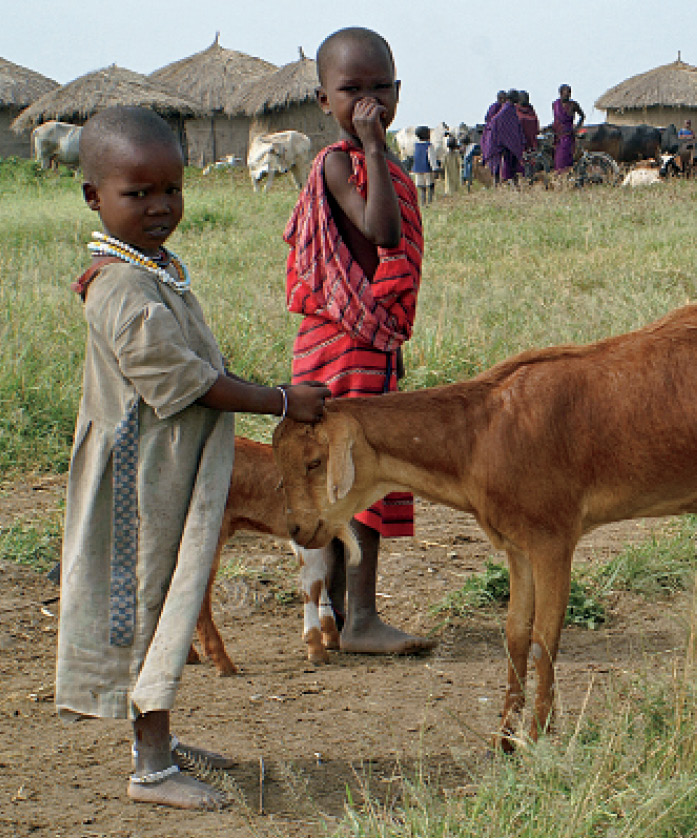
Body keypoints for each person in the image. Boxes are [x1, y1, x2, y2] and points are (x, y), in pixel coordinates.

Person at [57, 105, 330, 810]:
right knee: (150, 609)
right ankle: (150, 769)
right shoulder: (121, 289)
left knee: (171, 601)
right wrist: (279, 400)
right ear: (94, 197)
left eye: (170, 190)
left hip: (166, 471)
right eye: (137, 193)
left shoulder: (152, 268)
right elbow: (188, 382)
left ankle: (161, 743)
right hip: (138, 483)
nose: (160, 207)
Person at [285, 27, 435, 656]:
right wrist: (374, 148)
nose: (368, 102)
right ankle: (362, 618)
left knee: (347, 477)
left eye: (381, 88)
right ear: (324, 100)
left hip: (361, 340)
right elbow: (381, 230)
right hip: (347, 342)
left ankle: (342, 615)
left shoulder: (378, 161)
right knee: (358, 477)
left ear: (399, 91)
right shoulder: (343, 162)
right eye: (352, 90)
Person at [479, 90, 524, 184]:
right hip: (498, 141)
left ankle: (513, 186)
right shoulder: (507, 110)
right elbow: (502, 125)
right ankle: (499, 186)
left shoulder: (510, 108)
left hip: (504, 141)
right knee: (497, 167)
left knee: (511, 165)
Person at [550, 84, 585, 171]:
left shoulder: (573, 104)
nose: (568, 95)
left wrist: (577, 127)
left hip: (568, 134)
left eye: (569, 93)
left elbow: (582, 115)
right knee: (558, 158)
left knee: (566, 155)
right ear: (560, 93)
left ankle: (567, 174)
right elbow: (556, 120)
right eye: (565, 94)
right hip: (558, 134)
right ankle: (560, 176)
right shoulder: (555, 105)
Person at [514, 91, 540, 177]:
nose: (525, 100)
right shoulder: (515, 110)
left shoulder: (531, 110)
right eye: (523, 98)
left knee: (531, 161)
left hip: (531, 141)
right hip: (519, 141)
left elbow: (535, 123)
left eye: (527, 98)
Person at [410, 125, 435, 206]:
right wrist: (435, 167)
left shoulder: (416, 145)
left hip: (418, 169)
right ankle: (430, 201)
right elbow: (431, 157)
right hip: (427, 168)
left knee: (422, 187)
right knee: (430, 185)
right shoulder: (429, 145)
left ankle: (422, 202)